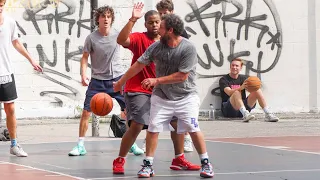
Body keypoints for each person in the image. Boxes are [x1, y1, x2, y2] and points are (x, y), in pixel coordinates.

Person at [114, 14, 214, 178]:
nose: (158, 29)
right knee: (153, 129)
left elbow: (182, 76)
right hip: (162, 97)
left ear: (170, 30)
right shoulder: (157, 47)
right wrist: (121, 81)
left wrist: (156, 80)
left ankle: (206, 163)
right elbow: (139, 64)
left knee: (193, 128)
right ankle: (148, 165)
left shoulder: (188, 48)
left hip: (186, 97)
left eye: (161, 27)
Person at [68, 5, 143, 156]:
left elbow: (131, 40)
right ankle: (80, 145)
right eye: (103, 17)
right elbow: (84, 57)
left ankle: (132, 144)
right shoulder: (91, 38)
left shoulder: (118, 35)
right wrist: (83, 74)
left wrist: (133, 18)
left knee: (127, 112)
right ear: (98, 20)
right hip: (97, 81)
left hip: (117, 79)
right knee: (85, 112)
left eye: (109, 16)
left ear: (111, 19)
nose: (106, 19)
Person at [0, 0, 43, 157]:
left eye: (1, 5)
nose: (0, 7)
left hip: (5, 72)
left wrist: (31, 59)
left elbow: (16, 42)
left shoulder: (10, 22)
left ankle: (14, 144)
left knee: (10, 109)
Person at [155, 0, 194, 153]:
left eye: (165, 12)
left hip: (179, 79)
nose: (163, 15)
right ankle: (149, 140)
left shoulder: (179, 33)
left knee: (182, 117)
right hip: (165, 79)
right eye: (161, 13)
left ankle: (188, 139)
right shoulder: (161, 32)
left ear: (172, 12)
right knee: (159, 116)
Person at [219, 58, 280, 122]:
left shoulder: (244, 78)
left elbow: (253, 89)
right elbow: (229, 92)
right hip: (229, 109)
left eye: (237, 66)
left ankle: (268, 114)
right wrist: (241, 88)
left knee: (257, 90)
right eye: (233, 65)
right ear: (230, 66)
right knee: (236, 92)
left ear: (241, 68)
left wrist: (254, 85)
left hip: (243, 108)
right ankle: (245, 114)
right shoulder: (224, 79)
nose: (234, 67)